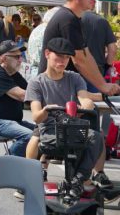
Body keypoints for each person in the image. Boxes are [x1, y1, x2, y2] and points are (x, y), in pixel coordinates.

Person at [24, 38, 111, 198]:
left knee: (96, 138)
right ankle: (33, 181)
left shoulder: (74, 78)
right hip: (50, 130)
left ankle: (77, 181)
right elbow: (36, 116)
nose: (63, 61)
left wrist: (86, 104)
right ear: (47, 54)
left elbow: (84, 99)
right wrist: (46, 110)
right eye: (59, 57)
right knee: (39, 138)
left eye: (66, 57)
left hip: (73, 128)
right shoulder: (36, 83)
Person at [42, 0, 120, 97]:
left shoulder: (74, 18)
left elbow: (86, 55)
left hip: (62, 87)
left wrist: (102, 83)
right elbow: (79, 60)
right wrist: (103, 86)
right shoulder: (67, 19)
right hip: (54, 90)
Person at [81, 10, 117, 93]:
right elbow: (112, 49)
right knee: (95, 103)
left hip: (75, 69)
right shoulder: (102, 21)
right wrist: (108, 65)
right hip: (97, 72)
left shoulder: (74, 18)